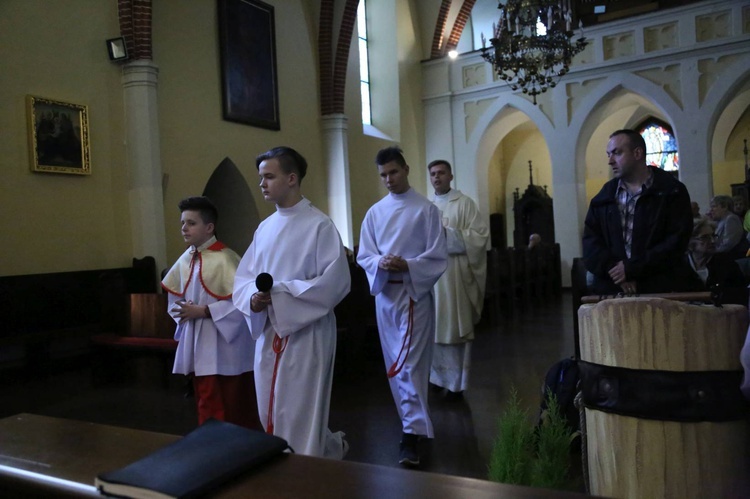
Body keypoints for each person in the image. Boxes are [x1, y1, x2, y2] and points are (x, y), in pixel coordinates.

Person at [233, 146, 350, 459]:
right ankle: (327, 450)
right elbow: (243, 279)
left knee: (301, 409)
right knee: (270, 408)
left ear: (292, 178)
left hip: (306, 332)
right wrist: (254, 299)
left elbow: (336, 282)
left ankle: (303, 476)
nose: (262, 184)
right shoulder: (265, 228)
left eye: (269, 176)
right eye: (261, 178)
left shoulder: (319, 225)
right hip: (271, 329)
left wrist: (281, 296)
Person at [357, 146, 447, 467]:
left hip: (413, 295)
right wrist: (382, 261)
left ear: (406, 169)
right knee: (394, 365)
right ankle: (413, 425)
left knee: (409, 364)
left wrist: (407, 265)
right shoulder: (374, 213)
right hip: (385, 297)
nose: (389, 180)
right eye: (383, 175)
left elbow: (438, 256)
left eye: (393, 172)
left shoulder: (426, 210)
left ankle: (410, 434)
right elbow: (364, 255)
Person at [161, 196, 260, 430]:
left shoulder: (227, 258)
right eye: (183, 223)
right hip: (199, 337)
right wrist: (183, 313)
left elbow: (244, 302)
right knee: (206, 397)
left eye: (191, 223)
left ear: (209, 227)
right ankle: (212, 446)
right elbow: (175, 298)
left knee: (232, 399)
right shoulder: (186, 259)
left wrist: (205, 311)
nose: (184, 228)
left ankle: (237, 448)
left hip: (226, 342)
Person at [583, 129, 693, 295]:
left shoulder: (671, 191)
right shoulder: (604, 196)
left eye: (617, 153)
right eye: (608, 155)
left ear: (637, 153)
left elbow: (676, 241)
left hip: (659, 287)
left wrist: (632, 268)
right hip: (613, 288)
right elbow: (591, 241)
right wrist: (616, 271)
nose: (610, 161)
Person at [427, 159, 489, 399]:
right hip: (432, 279)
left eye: (441, 173)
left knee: (454, 330)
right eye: (433, 174)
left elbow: (479, 236)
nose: (437, 177)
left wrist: (448, 235)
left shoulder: (465, 204)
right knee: (434, 330)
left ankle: (455, 384)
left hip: (455, 277)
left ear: (450, 176)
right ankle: (436, 378)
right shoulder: (427, 206)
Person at [681, 218, 748, 305]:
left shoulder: (726, 263)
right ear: (689, 241)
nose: (712, 241)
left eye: (713, 236)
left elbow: (740, 296)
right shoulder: (678, 266)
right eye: (705, 237)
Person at [709, 195, 748, 259]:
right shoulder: (721, 220)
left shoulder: (731, 218)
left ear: (724, 207)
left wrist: (712, 252)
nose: (711, 210)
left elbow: (728, 244)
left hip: (734, 258)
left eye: (714, 206)